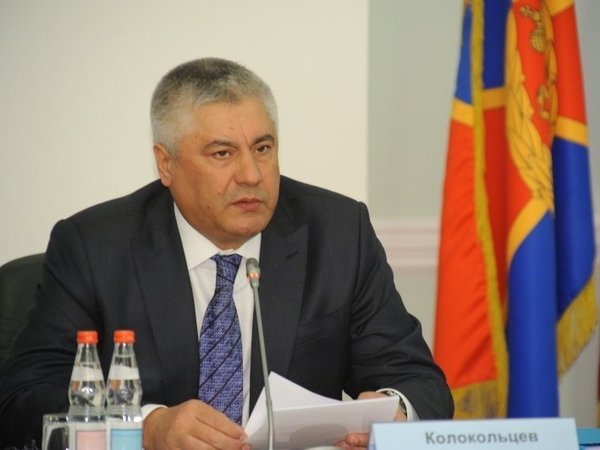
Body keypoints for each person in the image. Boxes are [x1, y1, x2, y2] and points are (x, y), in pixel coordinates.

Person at [0, 58, 453, 449]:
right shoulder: (94, 247)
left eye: (263, 148)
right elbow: (23, 398)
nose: (251, 174)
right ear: (166, 163)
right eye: (222, 153)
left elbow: (419, 382)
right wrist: (147, 427)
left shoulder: (337, 233)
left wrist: (394, 411)